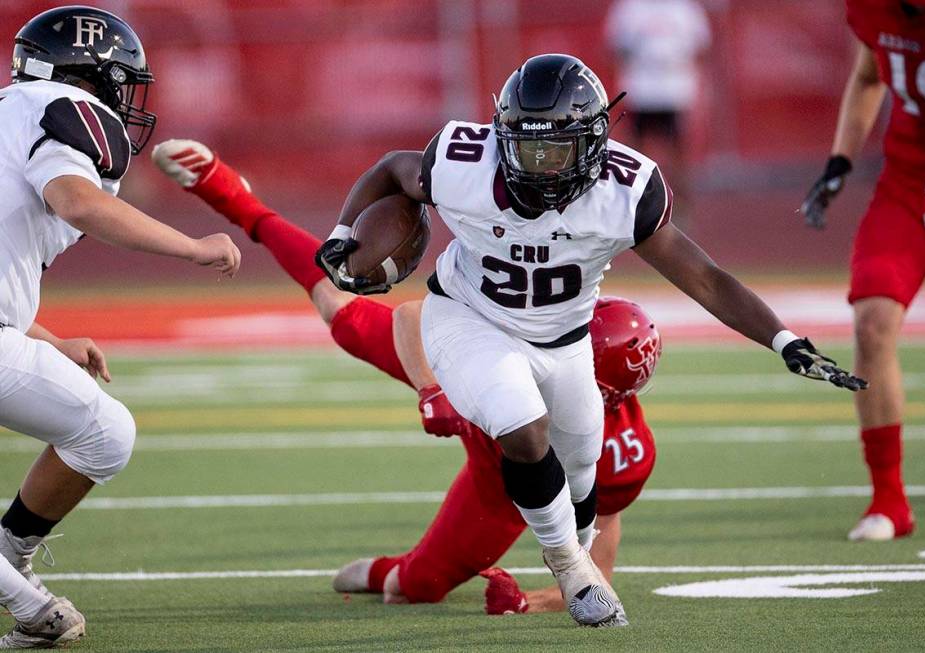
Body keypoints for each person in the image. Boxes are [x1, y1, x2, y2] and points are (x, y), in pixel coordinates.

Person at [315, 54, 866, 626]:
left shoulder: (626, 191)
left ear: (593, 141)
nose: (540, 166)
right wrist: (339, 231)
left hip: (564, 340)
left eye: (556, 150)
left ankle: (572, 548)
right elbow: (390, 169)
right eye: (527, 148)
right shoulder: (464, 162)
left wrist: (783, 341)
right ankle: (573, 571)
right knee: (522, 427)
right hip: (468, 317)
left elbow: (704, 277)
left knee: (581, 483)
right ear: (503, 137)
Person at [151, 138, 660, 616]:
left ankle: (386, 572)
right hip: (472, 361)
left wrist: (528, 600)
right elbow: (412, 317)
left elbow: (600, 571)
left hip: (497, 480)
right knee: (339, 306)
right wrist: (431, 387)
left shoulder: (617, 445)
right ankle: (235, 198)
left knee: (416, 587)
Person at [0, 7, 241, 648]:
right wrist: (191, 248)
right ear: (89, 76)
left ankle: (12, 561)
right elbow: (77, 200)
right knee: (105, 432)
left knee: (105, 430)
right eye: (119, 82)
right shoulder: (55, 106)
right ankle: (26, 602)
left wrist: (44, 337)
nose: (124, 100)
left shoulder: (10, 114)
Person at [800, 0, 925, 539]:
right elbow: (867, 75)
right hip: (906, 179)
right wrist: (840, 161)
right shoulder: (873, 7)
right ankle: (889, 500)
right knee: (871, 319)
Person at [604, 0, 712, 211]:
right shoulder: (629, 8)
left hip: (675, 91)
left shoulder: (684, 8)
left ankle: (680, 205)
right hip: (640, 90)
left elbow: (702, 46)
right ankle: (636, 202)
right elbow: (614, 47)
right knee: (635, 152)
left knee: (678, 151)